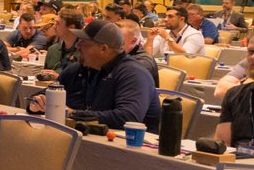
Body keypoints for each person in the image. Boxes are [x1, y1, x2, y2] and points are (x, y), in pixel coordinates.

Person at [30, 19, 160, 132]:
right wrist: (36, 104)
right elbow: (45, 95)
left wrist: (73, 114)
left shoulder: (133, 74)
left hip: (133, 151)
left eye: (84, 42)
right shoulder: (79, 69)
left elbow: (128, 117)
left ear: (103, 49)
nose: (77, 46)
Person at [42, 6, 85, 74]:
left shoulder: (85, 52)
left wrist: (59, 78)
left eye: (58, 23)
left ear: (71, 27)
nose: (54, 26)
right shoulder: (52, 50)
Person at [117, 19, 159, 86]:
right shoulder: (116, 55)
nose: (111, 42)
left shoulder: (142, 63)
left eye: (118, 39)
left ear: (133, 41)